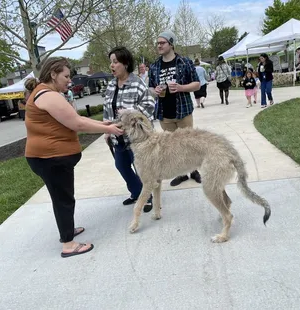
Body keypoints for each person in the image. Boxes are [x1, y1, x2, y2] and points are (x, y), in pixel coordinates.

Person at [24, 57, 123, 258]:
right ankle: (68, 244)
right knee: (63, 199)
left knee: (62, 198)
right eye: (66, 76)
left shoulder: (45, 93)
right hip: (51, 158)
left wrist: (105, 125)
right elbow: (77, 125)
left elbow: (76, 119)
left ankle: (66, 230)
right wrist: (110, 129)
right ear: (53, 74)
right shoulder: (49, 96)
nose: (69, 81)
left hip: (48, 158)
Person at [103, 46, 155, 212]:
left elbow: (149, 106)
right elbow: (107, 109)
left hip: (137, 139)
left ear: (125, 64)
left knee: (141, 168)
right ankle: (136, 192)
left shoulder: (137, 83)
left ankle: (147, 197)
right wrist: (107, 130)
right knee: (122, 166)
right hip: (117, 137)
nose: (112, 65)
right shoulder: (111, 85)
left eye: (115, 62)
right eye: (111, 62)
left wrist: (129, 117)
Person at [148, 30, 201, 187]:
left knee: (189, 143)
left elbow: (197, 84)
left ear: (171, 44)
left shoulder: (185, 62)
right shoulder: (154, 66)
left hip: (183, 111)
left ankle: (194, 171)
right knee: (173, 147)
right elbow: (150, 88)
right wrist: (154, 91)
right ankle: (182, 173)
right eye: (157, 43)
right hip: (165, 113)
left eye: (162, 42)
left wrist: (181, 87)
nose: (159, 45)